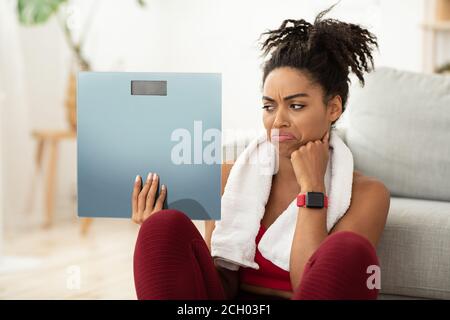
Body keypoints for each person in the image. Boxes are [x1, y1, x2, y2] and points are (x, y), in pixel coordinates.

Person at [132, 3, 390, 300]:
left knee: (349, 250)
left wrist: (313, 188)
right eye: (269, 106)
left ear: (333, 108)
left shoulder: (368, 195)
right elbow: (223, 284)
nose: (278, 120)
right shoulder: (231, 177)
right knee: (162, 227)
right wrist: (157, 230)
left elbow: (307, 281)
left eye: (296, 105)